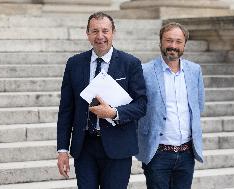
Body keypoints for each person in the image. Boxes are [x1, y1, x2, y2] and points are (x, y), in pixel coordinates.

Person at [56, 12, 147, 189]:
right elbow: (66, 110)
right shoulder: (74, 63)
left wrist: (114, 113)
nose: (100, 36)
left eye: (105, 30)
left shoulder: (130, 63)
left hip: (118, 147)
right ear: (87, 34)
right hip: (85, 148)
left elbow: (141, 105)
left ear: (113, 32)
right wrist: (62, 150)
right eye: (95, 31)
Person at [136, 22, 205, 189]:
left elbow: (198, 106)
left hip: (186, 154)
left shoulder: (194, 70)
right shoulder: (145, 71)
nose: (173, 46)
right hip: (158, 153)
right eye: (168, 40)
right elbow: (136, 108)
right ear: (160, 42)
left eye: (178, 41)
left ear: (184, 44)